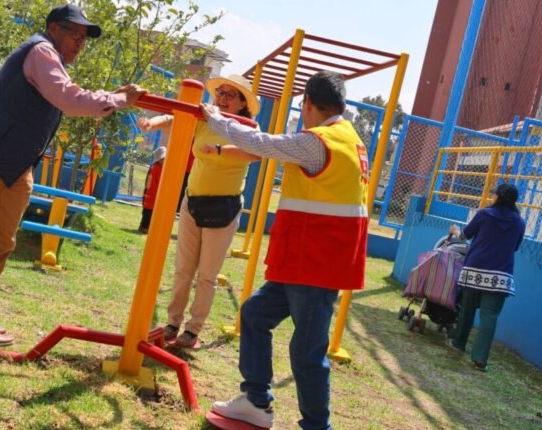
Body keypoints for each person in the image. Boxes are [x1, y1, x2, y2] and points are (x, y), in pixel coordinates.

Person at [0, 3, 146, 348]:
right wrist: (119, 98)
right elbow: (70, 100)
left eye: (84, 37)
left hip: (2, 159)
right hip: (3, 163)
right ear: (53, 28)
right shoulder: (42, 51)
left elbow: (65, 95)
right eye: (74, 33)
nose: (80, 42)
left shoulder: (43, 53)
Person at [202, 71, 369, 429]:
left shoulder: (317, 142)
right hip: (306, 261)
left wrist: (216, 121)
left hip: (314, 262)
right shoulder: (349, 139)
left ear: (308, 104)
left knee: (306, 352)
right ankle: (256, 400)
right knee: (254, 314)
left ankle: (315, 425)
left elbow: (264, 143)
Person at [138, 74, 261, 348]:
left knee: (206, 274)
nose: (223, 98)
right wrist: (152, 123)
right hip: (193, 201)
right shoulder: (206, 117)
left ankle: (193, 330)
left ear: (243, 104)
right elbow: (176, 118)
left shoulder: (246, 127)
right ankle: (172, 323)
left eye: (231, 95)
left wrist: (219, 150)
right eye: (221, 93)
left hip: (224, 206)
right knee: (183, 268)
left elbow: (255, 153)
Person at [447, 183, 525, 372]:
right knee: (489, 316)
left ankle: (458, 343)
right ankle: (480, 358)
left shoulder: (484, 215)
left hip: (474, 270)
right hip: (500, 276)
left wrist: (455, 230)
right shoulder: (519, 223)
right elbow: (515, 247)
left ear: (497, 196)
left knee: (467, 309)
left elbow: (465, 236)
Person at [139, 146, 167, 234]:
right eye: (164, 159)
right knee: (149, 212)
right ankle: (145, 227)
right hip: (152, 193)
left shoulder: (155, 167)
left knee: (148, 211)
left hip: (150, 193)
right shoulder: (157, 168)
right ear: (160, 159)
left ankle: (144, 226)